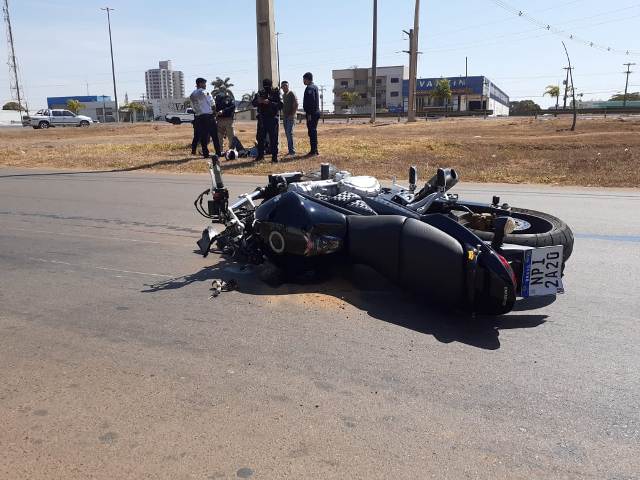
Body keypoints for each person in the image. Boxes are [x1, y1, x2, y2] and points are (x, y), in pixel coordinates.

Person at [252, 78, 283, 163]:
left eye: (267, 85)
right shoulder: (260, 93)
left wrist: (269, 102)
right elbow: (253, 103)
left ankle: (274, 157)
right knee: (260, 138)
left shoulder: (276, 92)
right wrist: (259, 101)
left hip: (272, 118)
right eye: (265, 85)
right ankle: (260, 155)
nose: (266, 87)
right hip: (262, 119)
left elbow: (280, 105)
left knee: (274, 138)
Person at [189, 77, 221, 158]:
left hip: (198, 117)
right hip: (208, 116)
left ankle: (205, 154)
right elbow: (212, 103)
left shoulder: (192, 95)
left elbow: (193, 107)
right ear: (200, 84)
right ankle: (218, 153)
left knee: (203, 136)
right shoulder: (204, 92)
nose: (205, 85)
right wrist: (215, 112)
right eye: (204, 83)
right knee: (214, 135)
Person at [303, 72, 320, 156]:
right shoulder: (315, 87)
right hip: (315, 112)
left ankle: (314, 150)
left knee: (312, 131)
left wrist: (309, 113)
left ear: (307, 79)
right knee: (313, 131)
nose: (303, 81)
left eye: (304, 79)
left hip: (311, 113)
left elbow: (311, 101)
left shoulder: (310, 88)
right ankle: (314, 149)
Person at [280, 81, 298, 156]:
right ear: (281, 87)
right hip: (285, 117)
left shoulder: (291, 93)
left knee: (289, 133)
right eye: (283, 86)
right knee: (287, 134)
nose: (284, 87)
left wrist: (292, 114)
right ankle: (290, 150)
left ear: (288, 86)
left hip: (291, 117)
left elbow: (296, 104)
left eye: (286, 85)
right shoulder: (283, 95)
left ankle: (292, 151)